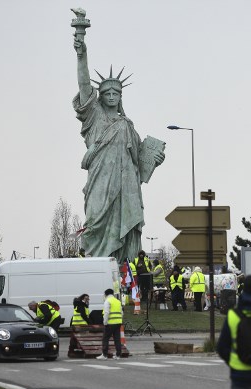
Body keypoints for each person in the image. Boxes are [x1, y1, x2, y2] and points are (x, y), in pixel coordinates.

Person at [72, 19, 165, 265]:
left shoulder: (128, 125)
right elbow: (83, 84)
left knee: (125, 230)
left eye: (116, 93)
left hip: (127, 188)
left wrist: (155, 159)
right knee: (95, 221)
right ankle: (97, 268)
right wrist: (82, 50)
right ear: (100, 97)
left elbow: (140, 159)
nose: (112, 96)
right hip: (100, 183)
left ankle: (124, 273)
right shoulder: (94, 116)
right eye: (107, 93)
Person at [97, 289, 123, 360]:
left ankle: (104, 355)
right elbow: (121, 312)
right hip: (118, 323)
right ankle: (118, 355)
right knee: (117, 339)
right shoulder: (118, 301)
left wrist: (105, 323)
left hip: (110, 323)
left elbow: (106, 313)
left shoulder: (107, 301)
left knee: (105, 338)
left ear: (106, 294)